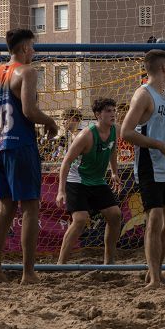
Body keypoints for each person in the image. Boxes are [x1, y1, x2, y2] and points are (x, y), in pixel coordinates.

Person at [0, 28, 59, 285]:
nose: (34, 52)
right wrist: (51, 123)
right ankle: (28, 272)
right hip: (21, 145)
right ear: (25, 48)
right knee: (30, 209)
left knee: (4, 209)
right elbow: (29, 110)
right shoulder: (27, 72)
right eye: (33, 48)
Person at [120, 50, 165, 289]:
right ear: (163, 68)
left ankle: (156, 271)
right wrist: (160, 146)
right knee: (155, 220)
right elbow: (126, 132)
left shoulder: (164, 94)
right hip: (149, 165)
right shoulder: (143, 94)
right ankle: (153, 278)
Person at [56, 99, 123, 265]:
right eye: (108, 111)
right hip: (77, 179)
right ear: (97, 115)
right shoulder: (86, 135)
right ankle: (60, 264)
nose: (113, 113)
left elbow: (113, 149)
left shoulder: (115, 130)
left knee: (115, 215)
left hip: (97, 180)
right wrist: (61, 191)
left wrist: (114, 172)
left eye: (113, 110)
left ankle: (109, 262)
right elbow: (66, 162)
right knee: (80, 219)